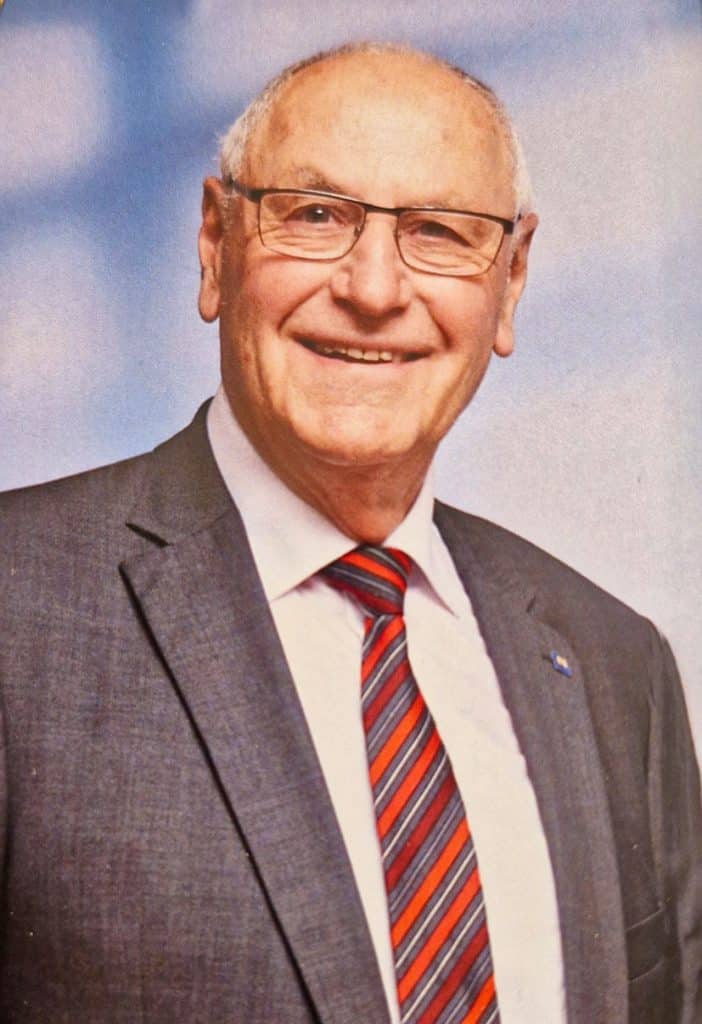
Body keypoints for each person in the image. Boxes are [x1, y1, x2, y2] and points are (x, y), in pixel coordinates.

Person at [0, 41, 700, 1024]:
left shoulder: (618, 666)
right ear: (214, 242)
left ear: (511, 280)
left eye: (440, 231)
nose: (374, 290)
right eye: (316, 215)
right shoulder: (18, 608)